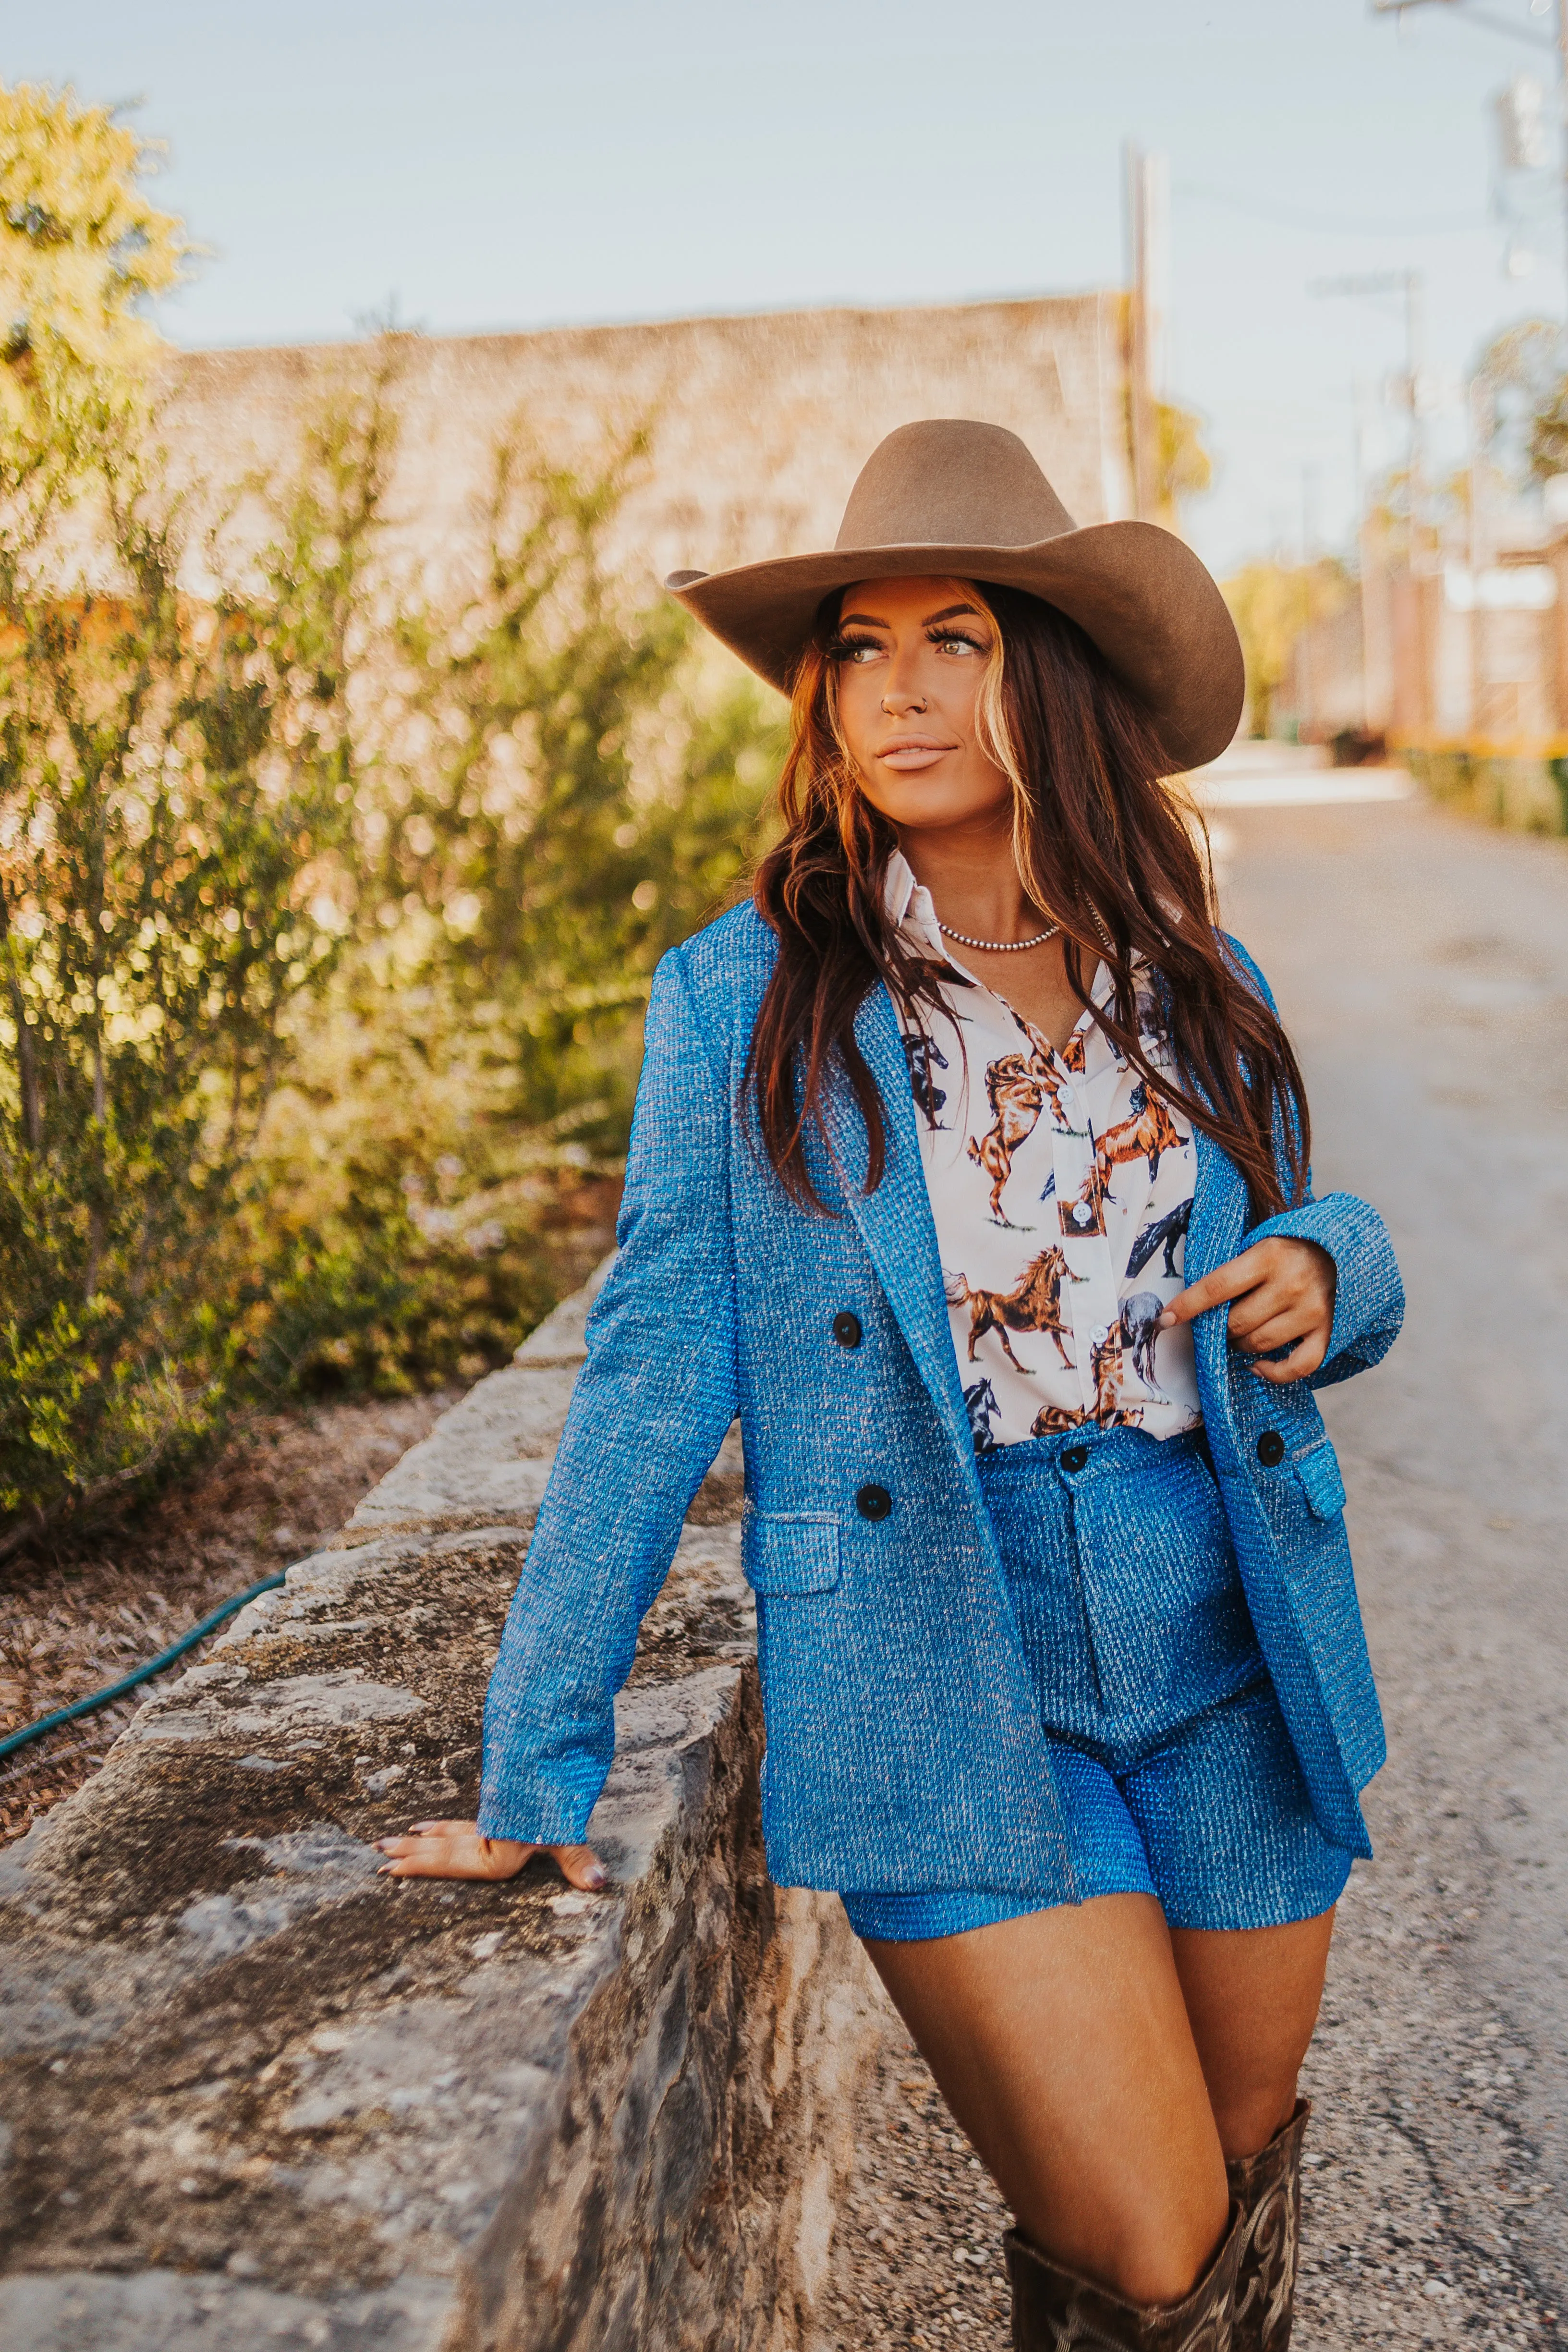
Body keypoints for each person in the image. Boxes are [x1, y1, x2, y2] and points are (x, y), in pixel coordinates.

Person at [377, 421, 1403, 2352]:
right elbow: (657, 1365)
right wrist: (541, 1758)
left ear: (1056, 678)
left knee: (1243, 2178)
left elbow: (1303, 1244)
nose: (901, 690)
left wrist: (1330, 1272)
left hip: (1234, 1649)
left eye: (961, 638)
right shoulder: (745, 998)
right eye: (861, 644)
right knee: (1155, 2241)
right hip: (949, 1666)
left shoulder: (1196, 967)